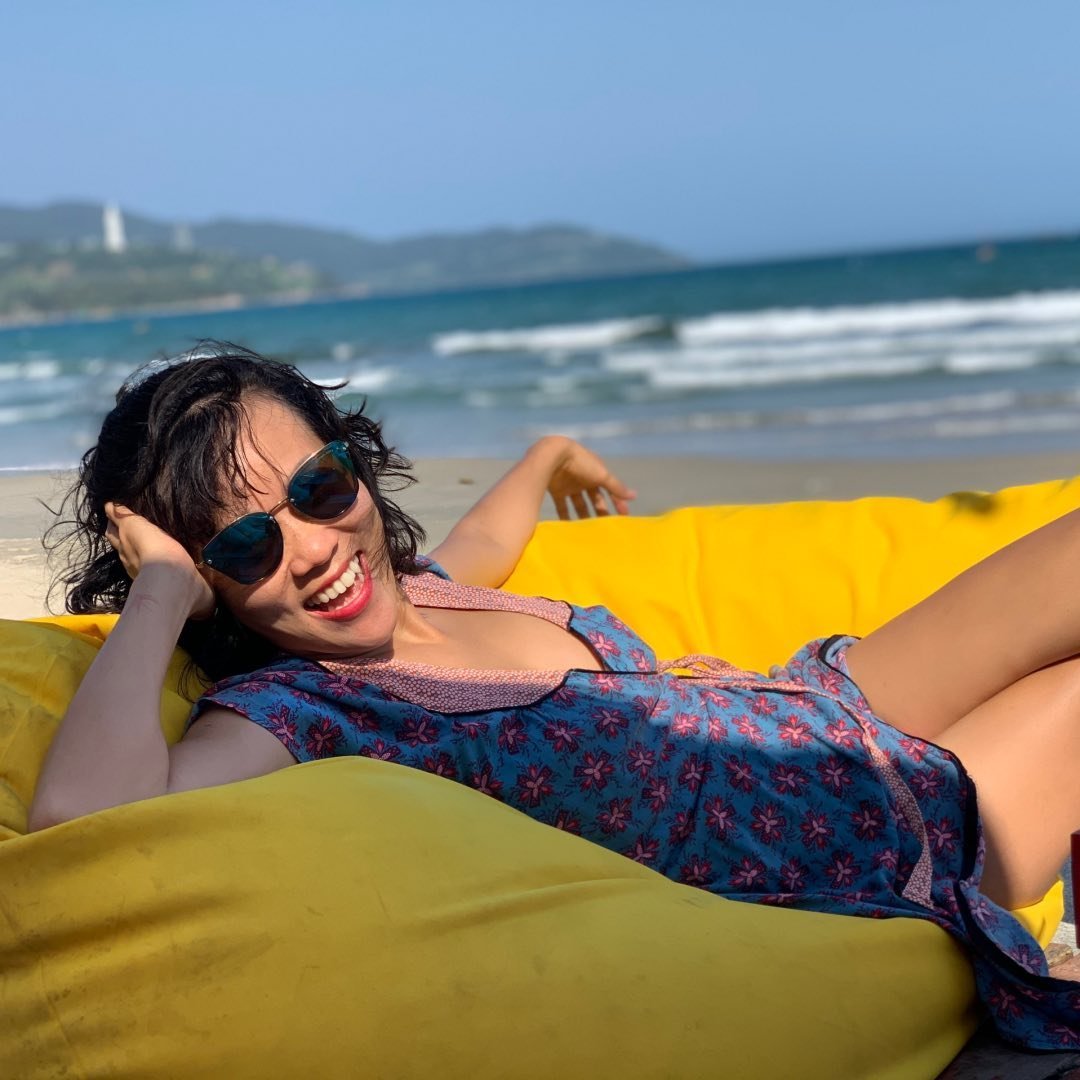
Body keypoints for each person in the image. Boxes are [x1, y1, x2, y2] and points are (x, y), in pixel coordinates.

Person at [30, 344, 1080, 1050]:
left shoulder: (427, 584)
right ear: (213, 585)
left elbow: (483, 537)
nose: (314, 551)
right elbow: (89, 822)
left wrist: (543, 456)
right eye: (248, 544)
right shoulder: (302, 707)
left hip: (821, 701)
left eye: (319, 489)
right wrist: (159, 589)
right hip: (862, 831)